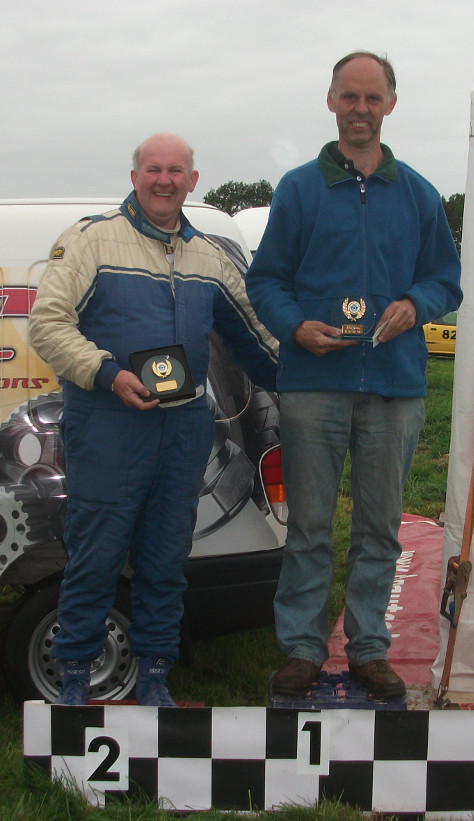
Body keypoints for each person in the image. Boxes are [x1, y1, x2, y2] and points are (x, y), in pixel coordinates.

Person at [29, 133, 277, 707]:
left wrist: (315, 374)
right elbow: (47, 326)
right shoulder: (91, 241)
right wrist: (108, 373)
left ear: (193, 180)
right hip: (108, 424)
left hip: (183, 428)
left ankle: (155, 675)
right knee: (97, 553)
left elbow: (258, 341)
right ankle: (74, 676)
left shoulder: (209, 257)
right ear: (135, 175)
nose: (164, 180)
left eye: (176, 171)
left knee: (167, 556)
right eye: (153, 169)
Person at [246, 52, 462, 699]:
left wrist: (415, 304)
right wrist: (295, 326)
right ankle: (304, 647)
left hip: (395, 385)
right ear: (332, 101)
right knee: (310, 526)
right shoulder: (298, 190)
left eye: (373, 97)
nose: (360, 108)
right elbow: (265, 280)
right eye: (350, 96)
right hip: (314, 384)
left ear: (390, 104)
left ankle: (368, 645)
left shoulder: (419, 194)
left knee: (378, 526)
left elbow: (446, 278)